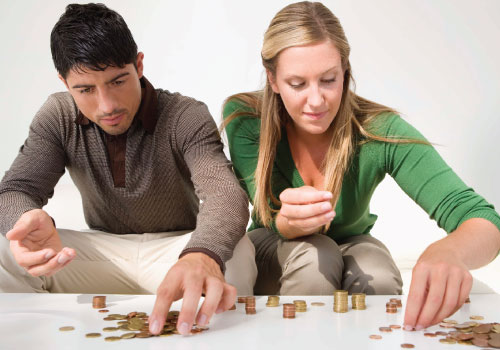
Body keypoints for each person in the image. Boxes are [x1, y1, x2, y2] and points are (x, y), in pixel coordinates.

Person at [223, 1, 500, 331]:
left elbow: (483, 219)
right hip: (273, 243)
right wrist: (286, 221)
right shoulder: (246, 119)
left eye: (328, 80)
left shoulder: (377, 130)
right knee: (316, 258)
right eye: (297, 84)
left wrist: (448, 252)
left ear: (345, 72)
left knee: (378, 276)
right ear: (273, 79)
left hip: (352, 241)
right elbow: (268, 216)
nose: (316, 101)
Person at [0, 3, 257, 336]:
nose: (107, 106)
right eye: (86, 89)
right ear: (65, 82)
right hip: (101, 255)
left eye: (117, 81)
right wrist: (25, 221)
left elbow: (224, 193)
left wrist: (201, 254)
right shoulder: (57, 116)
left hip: (178, 251)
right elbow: (15, 190)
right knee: (7, 247)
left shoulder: (185, 115)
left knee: (235, 251)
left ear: (138, 65)